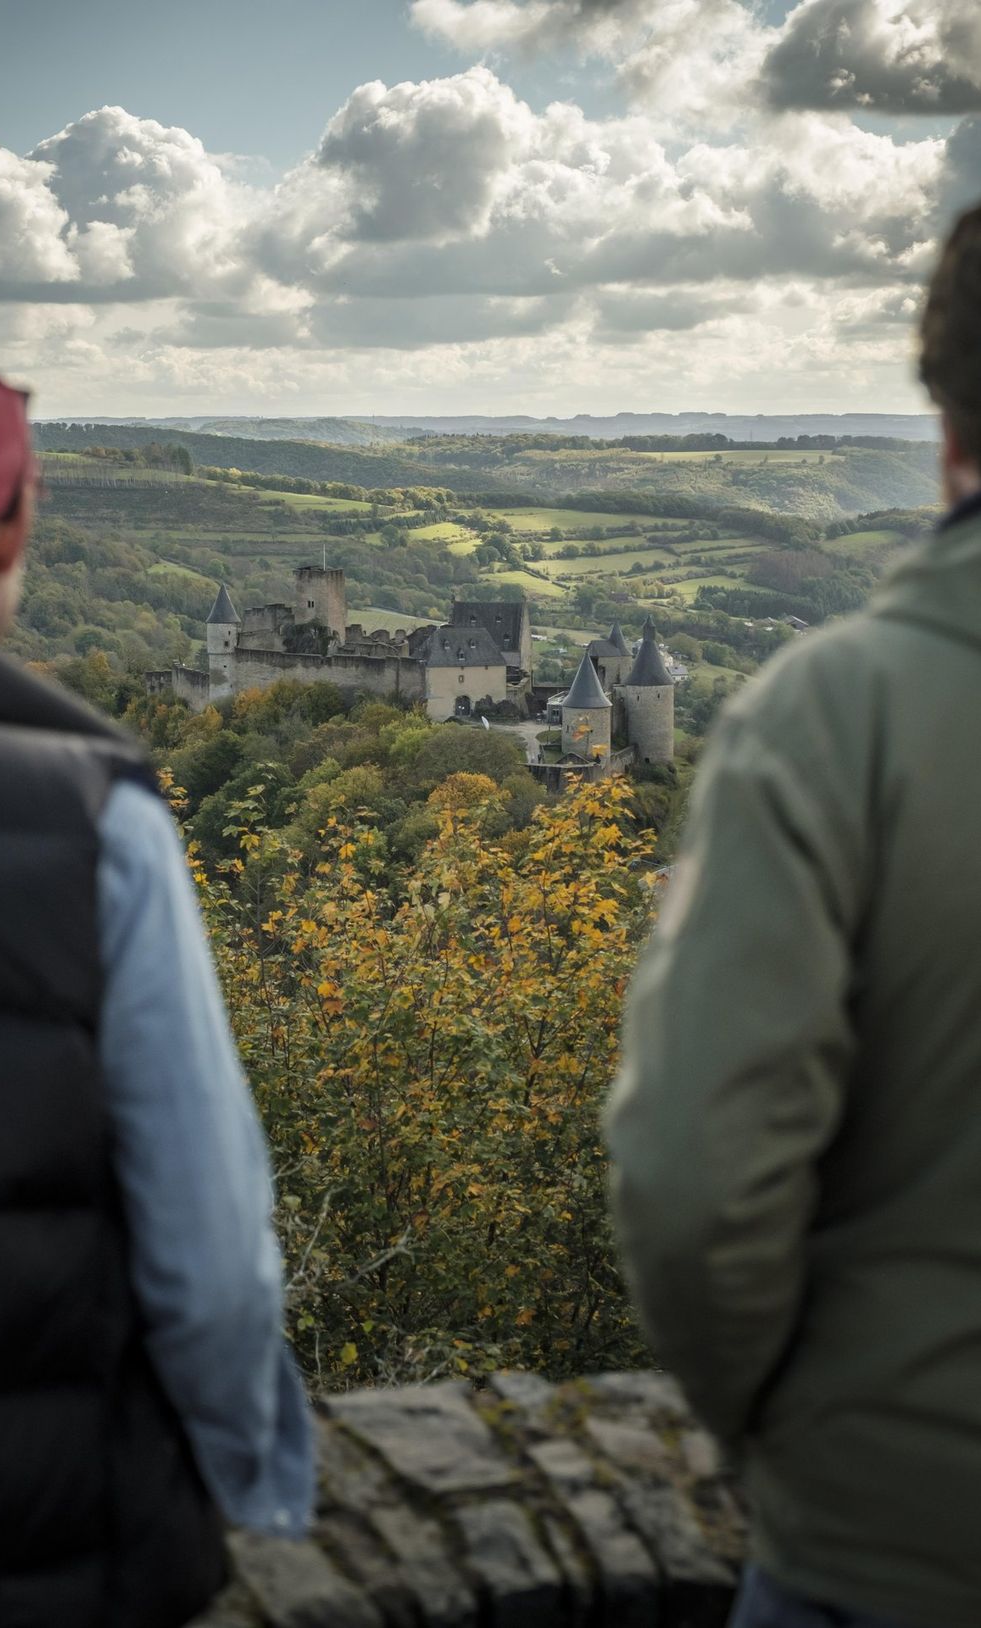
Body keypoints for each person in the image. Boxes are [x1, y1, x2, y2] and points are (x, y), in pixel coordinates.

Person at [605, 202, 981, 1628]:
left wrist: (789, 1419)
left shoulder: (832, 716)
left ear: (946, 426)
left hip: (899, 1539)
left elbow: (696, 1179)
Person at [0, 347, 313, 1628]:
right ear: (14, 526)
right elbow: (209, 1258)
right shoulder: (98, 820)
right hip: (31, 1532)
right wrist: (252, 1472)